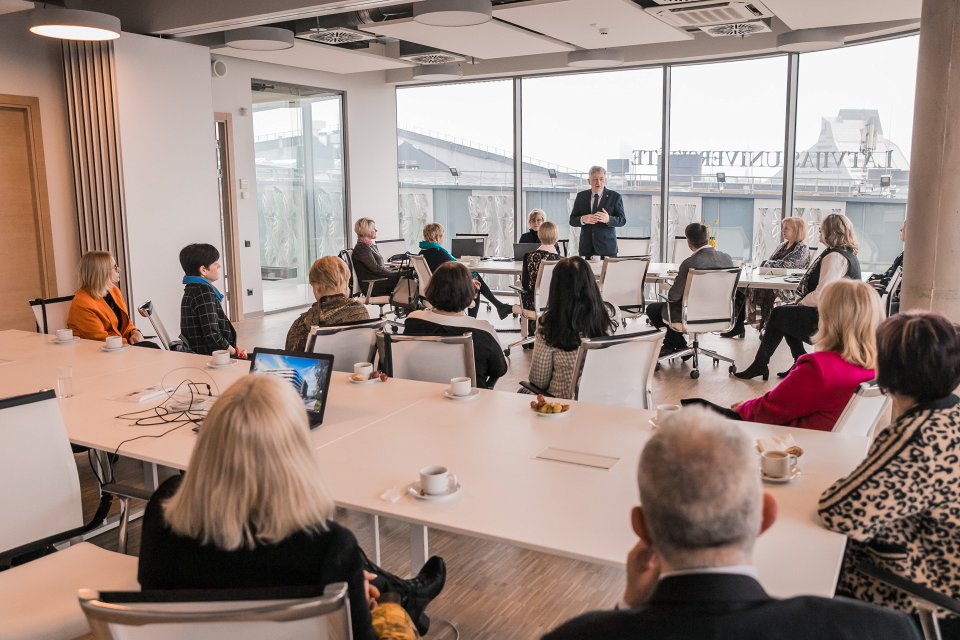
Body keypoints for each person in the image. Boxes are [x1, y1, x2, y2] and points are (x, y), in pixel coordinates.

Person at [542, 407, 920, 640]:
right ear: (764, 516)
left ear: (641, 528)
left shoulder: (575, 635)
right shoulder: (880, 630)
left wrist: (628, 608)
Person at [138, 375, 447, 640]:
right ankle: (403, 597)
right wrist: (356, 602)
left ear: (208, 442)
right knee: (388, 602)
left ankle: (407, 593)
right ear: (295, 452)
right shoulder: (326, 548)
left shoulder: (162, 515)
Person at [819, 311, 960, 637]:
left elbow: (839, 512)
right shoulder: (949, 412)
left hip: (924, 592)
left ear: (891, 370)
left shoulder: (918, 437)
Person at [683, 279, 880, 431]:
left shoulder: (819, 369)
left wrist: (743, 407)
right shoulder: (876, 368)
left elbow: (768, 411)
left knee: (691, 411)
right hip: (833, 452)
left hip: (791, 448)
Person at [735, 213, 861, 380]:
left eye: (821, 229)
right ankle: (793, 361)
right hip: (837, 314)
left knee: (780, 314)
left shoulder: (834, 257)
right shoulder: (846, 254)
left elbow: (822, 295)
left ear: (830, 232)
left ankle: (764, 364)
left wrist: (800, 302)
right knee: (785, 314)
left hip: (828, 318)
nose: (819, 232)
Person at [522, 257, 618, 399]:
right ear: (591, 283)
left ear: (556, 288)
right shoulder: (611, 314)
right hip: (604, 402)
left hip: (563, 407)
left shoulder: (549, 323)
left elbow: (538, 382)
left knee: (522, 393)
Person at [403, 262, 508, 389]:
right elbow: (499, 370)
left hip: (420, 394)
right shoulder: (483, 330)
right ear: (469, 294)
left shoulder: (413, 320)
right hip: (466, 401)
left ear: (431, 289)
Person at [645, 222, 734, 356]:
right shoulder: (727, 259)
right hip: (720, 314)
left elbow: (673, 297)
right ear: (708, 236)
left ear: (688, 242)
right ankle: (674, 346)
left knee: (653, 309)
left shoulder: (689, 263)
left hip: (691, 314)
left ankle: (679, 345)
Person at [722, 216, 811, 338]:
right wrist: (767, 264)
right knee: (741, 288)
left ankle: (767, 329)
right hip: (771, 280)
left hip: (787, 286)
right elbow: (771, 263)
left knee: (769, 293)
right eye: (782, 228)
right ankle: (738, 325)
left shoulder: (802, 249)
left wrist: (766, 263)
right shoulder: (782, 246)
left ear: (796, 231)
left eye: (786, 228)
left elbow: (787, 266)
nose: (782, 231)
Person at [417, 222, 513, 319]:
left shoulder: (422, 252)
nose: (442, 239)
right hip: (446, 291)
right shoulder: (438, 252)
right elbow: (457, 269)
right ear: (437, 237)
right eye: (441, 236)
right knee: (475, 279)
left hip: (432, 291)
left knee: (474, 276)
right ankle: (475, 319)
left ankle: (499, 306)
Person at [67, 251, 158, 348]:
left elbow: (125, 323)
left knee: (154, 350)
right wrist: (130, 343)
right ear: (102, 272)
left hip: (119, 347)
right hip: (99, 354)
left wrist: (134, 332)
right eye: (115, 267)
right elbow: (100, 339)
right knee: (153, 349)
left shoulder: (113, 290)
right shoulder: (82, 304)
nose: (119, 269)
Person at [285, 256, 370, 352]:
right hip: (355, 366)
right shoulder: (359, 312)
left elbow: (291, 362)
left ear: (315, 288)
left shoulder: (301, 324)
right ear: (345, 284)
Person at [179, 243, 246, 357]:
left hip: (203, 354)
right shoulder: (203, 291)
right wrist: (235, 353)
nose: (218, 266)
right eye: (215, 263)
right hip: (212, 358)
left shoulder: (192, 288)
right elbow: (212, 335)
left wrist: (232, 347)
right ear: (203, 270)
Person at [569, 166, 626, 259]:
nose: (598, 182)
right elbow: (572, 220)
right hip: (586, 249)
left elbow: (622, 220)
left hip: (607, 249)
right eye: (594, 179)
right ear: (589, 181)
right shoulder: (581, 196)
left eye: (601, 179)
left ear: (605, 180)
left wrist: (609, 219)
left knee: (609, 274)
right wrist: (582, 219)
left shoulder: (615, 196)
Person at [353, 217, 401, 298]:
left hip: (380, 280)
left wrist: (395, 271)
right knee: (408, 276)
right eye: (373, 228)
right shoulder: (362, 248)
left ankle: (409, 306)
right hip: (374, 285)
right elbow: (376, 268)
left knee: (408, 274)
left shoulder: (370, 246)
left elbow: (379, 267)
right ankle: (410, 308)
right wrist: (394, 273)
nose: (376, 230)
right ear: (366, 229)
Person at [867, 223, 905, 314]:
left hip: (890, 293)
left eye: (903, 229)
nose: (900, 231)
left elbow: (894, 280)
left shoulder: (907, 255)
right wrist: (873, 277)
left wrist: (878, 281)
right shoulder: (903, 253)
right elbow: (888, 273)